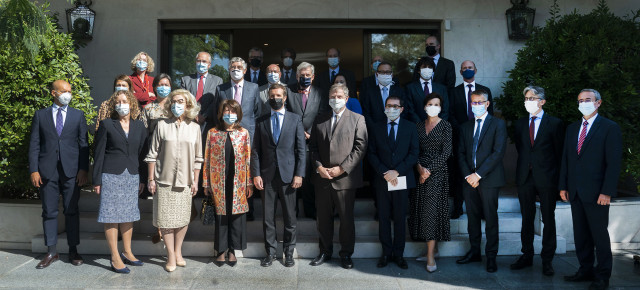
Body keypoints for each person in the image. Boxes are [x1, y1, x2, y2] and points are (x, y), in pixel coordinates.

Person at [560, 89, 622, 290]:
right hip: (575, 191)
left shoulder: (609, 128)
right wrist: (563, 185)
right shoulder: (572, 128)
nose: (584, 103)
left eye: (588, 100)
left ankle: (603, 275)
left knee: (599, 235)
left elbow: (613, 163)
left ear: (598, 103)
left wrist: (607, 191)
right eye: (580, 100)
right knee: (581, 234)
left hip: (597, 193)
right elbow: (567, 160)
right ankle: (585, 269)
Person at [29, 80, 88, 269]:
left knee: (71, 211)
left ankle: (73, 249)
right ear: (54, 93)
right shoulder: (41, 115)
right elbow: (34, 144)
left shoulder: (78, 115)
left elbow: (84, 145)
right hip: (47, 170)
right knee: (49, 211)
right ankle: (51, 251)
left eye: (70, 91)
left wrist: (83, 169)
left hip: (72, 171)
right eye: (64, 91)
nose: (68, 94)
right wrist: (34, 169)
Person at [309, 83, 368, 269]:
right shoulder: (320, 119)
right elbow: (313, 148)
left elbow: (360, 147)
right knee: (323, 219)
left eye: (339, 96)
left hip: (345, 179)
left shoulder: (358, 119)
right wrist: (318, 167)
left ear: (347, 98)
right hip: (323, 178)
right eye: (332, 96)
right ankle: (325, 251)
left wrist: (342, 169)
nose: (335, 99)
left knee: (346, 219)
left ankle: (346, 254)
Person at [145, 89, 203, 272]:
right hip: (164, 181)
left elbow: (198, 158)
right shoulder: (162, 125)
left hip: (185, 181)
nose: (177, 104)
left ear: (188, 105)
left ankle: (178, 251)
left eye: (181, 101)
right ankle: (170, 255)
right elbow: (152, 154)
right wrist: (150, 179)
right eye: (174, 101)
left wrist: (195, 181)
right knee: (166, 220)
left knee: (183, 219)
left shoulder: (194, 128)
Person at [511, 86, 564, 276]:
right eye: (526, 98)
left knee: (548, 219)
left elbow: (559, 154)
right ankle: (526, 255)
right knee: (526, 218)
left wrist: (560, 182)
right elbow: (522, 148)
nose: (528, 101)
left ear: (542, 101)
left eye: (532, 98)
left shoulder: (555, 124)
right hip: (525, 177)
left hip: (547, 177)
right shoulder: (519, 124)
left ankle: (547, 260)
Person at [93, 90, 147, 274]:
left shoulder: (140, 126)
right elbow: (98, 153)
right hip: (111, 175)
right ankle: (115, 256)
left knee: (128, 214)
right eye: (117, 102)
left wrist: (143, 178)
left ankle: (127, 251)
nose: (121, 104)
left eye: (124, 101)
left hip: (131, 174)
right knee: (111, 216)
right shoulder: (107, 124)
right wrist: (96, 180)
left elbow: (142, 154)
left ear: (131, 103)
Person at [252, 84, 306, 268]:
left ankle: (288, 253)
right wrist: (256, 174)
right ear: (268, 97)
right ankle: (271, 253)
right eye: (272, 95)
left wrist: (299, 174)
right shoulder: (261, 120)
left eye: (278, 95)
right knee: (268, 218)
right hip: (267, 177)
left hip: (289, 177)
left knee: (290, 218)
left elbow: (301, 150)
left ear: (284, 98)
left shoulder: (295, 119)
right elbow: (256, 151)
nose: (275, 98)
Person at [455, 90, 507, 273]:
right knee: (472, 218)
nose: (476, 105)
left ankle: (491, 256)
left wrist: (479, 175)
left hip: (489, 180)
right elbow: (460, 153)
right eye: (473, 102)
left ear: (487, 104)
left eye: (479, 102)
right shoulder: (465, 126)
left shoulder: (498, 124)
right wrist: (469, 175)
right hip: (469, 180)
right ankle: (474, 251)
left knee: (491, 218)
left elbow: (498, 152)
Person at [367, 95, 418, 270]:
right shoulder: (375, 127)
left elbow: (413, 153)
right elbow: (371, 153)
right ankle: (386, 253)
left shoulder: (411, 127)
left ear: (402, 109)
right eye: (389, 105)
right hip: (382, 180)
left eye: (396, 106)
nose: (392, 108)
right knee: (383, 217)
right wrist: (384, 172)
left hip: (402, 178)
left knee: (399, 218)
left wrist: (397, 171)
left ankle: (399, 254)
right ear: (384, 107)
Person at [203, 99, 253, 267]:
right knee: (221, 216)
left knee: (236, 216)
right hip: (218, 182)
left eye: (233, 112)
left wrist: (249, 183)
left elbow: (248, 159)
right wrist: (206, 183)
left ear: (238, 114)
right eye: (227, 111)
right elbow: (207, 159)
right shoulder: (213, 132)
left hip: (238, 181)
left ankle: (233, 250)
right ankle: (221, 250)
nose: (229, 115)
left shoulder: (244, 133)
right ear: (221, 113)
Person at [409, 93, 453, 273]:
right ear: (424, 106)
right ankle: (431, 248)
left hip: (437, 174)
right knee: (422, 211)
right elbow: (413, 149)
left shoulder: (446, 126)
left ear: (441, 107)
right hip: (420, 173)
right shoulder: (418, 126)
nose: (433, 106)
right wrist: (420, 168)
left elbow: (447, 152)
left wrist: (428, 171)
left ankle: (430, 257)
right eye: (430, 103)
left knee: (431, 213)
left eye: (436, 104)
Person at [214, 57, 261, 221]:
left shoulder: (254, 87)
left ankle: (249, 210)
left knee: (247, 171)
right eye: (233, 67)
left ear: (245, 70)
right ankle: (227, 207)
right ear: (228, 69)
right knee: (230, 172)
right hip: (226, 137)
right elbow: (217, 113)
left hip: (248, 135)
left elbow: (257, 111)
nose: (236, 69)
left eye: (239, 67)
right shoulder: (221, 88)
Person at [448, 60, 494, 219]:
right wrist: (462, 129)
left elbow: (491, 115)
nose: (467, 70)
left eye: (470, 68)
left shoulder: (485, 90)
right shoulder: (453, 92)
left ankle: (481, 209)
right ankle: (458, 207)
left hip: (481, 137)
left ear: (475, 70)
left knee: (480, 171)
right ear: (460, 72)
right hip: (460, 136)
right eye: (464, 68)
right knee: (460, 171)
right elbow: (450, 113)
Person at [285, 62, 328, 219]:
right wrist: (297, 131)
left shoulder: (320, 93)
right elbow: (286, 113)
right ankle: (292, 214)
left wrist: (311, 133)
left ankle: (310, 212)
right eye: (301, 75)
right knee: (292, 180)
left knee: (310, 180)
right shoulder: (288, 91)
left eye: (307, 75)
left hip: (312, 143)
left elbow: (323, 115)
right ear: (297, 76)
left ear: (313, 76)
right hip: (292, 144)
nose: (304, 78)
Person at [180, 51, 224, 134]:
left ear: (209, 65)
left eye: (204, 61)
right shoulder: (185, 80)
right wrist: (194, 114)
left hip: (208, 123)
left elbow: (216, 101)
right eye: (198, 61)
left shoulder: (218, 81)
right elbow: (182, 100)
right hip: (188, 121)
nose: (201, 63)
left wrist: (204, 116)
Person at [360, 61, 406, 127]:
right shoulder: (369, 92)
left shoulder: (400, 91)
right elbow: (366, 113)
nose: (385, 74)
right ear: (377, 74)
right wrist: (374, 128)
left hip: (395, 128)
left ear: (392, 74)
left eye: (387, 72)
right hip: (375, 130)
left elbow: (404, 111)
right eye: (381, 72)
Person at [405, 57, 450, 123]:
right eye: (424, 67)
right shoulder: (410, 88)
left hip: (438, 128)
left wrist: (438, 124)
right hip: (417, 128)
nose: (427, 69)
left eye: (430, 67)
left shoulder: (441, 88)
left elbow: (445, 109)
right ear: (418, 70)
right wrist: (422, 126)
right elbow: (410, 110)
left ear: (433, 70)